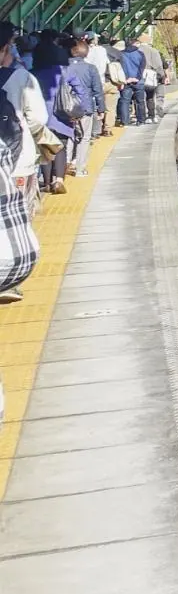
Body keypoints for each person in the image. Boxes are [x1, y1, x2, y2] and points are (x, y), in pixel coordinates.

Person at [0, 22, 44, 355]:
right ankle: (10, 284)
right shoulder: (21, 78)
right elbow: (36, 119)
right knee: (17, 213)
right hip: (16, 163)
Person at [31, 38, 77, 195]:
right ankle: (58, 180)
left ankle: (48, 181)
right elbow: (80, 91)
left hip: (40, 117)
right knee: (60, 147)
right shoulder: (65, 71)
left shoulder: (32, 73)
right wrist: (78, 111)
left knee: (45, 148)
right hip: (62, 115)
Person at [64, 34, 103, 178]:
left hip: (66, 107)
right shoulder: (91, 68)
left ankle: (65, 164)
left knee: (69, 135)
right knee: (84, 138)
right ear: (86, 52)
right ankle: (80, 169)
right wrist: (101, 108)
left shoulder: (64, 66)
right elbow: (98, 89)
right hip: (85, 107)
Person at [115, 37, 147, 127]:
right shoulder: (140, 54)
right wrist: (137, 77)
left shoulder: (121, 54)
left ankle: (124, 121)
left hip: (126, 81)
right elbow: (142, 67)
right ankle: (141, 120)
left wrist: (127, 78)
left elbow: (120, 68)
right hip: (138, 81)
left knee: (125, 101)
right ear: (134, 44)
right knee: (140, 101)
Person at [138, 32, 166, 121]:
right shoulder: (153, 51)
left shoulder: (136, 50)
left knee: (139, 97)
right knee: (150, 96)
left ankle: (140, 116)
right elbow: (158, 66)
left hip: (137, 77)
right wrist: (162, 76)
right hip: (150, 76)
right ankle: (151, 115)